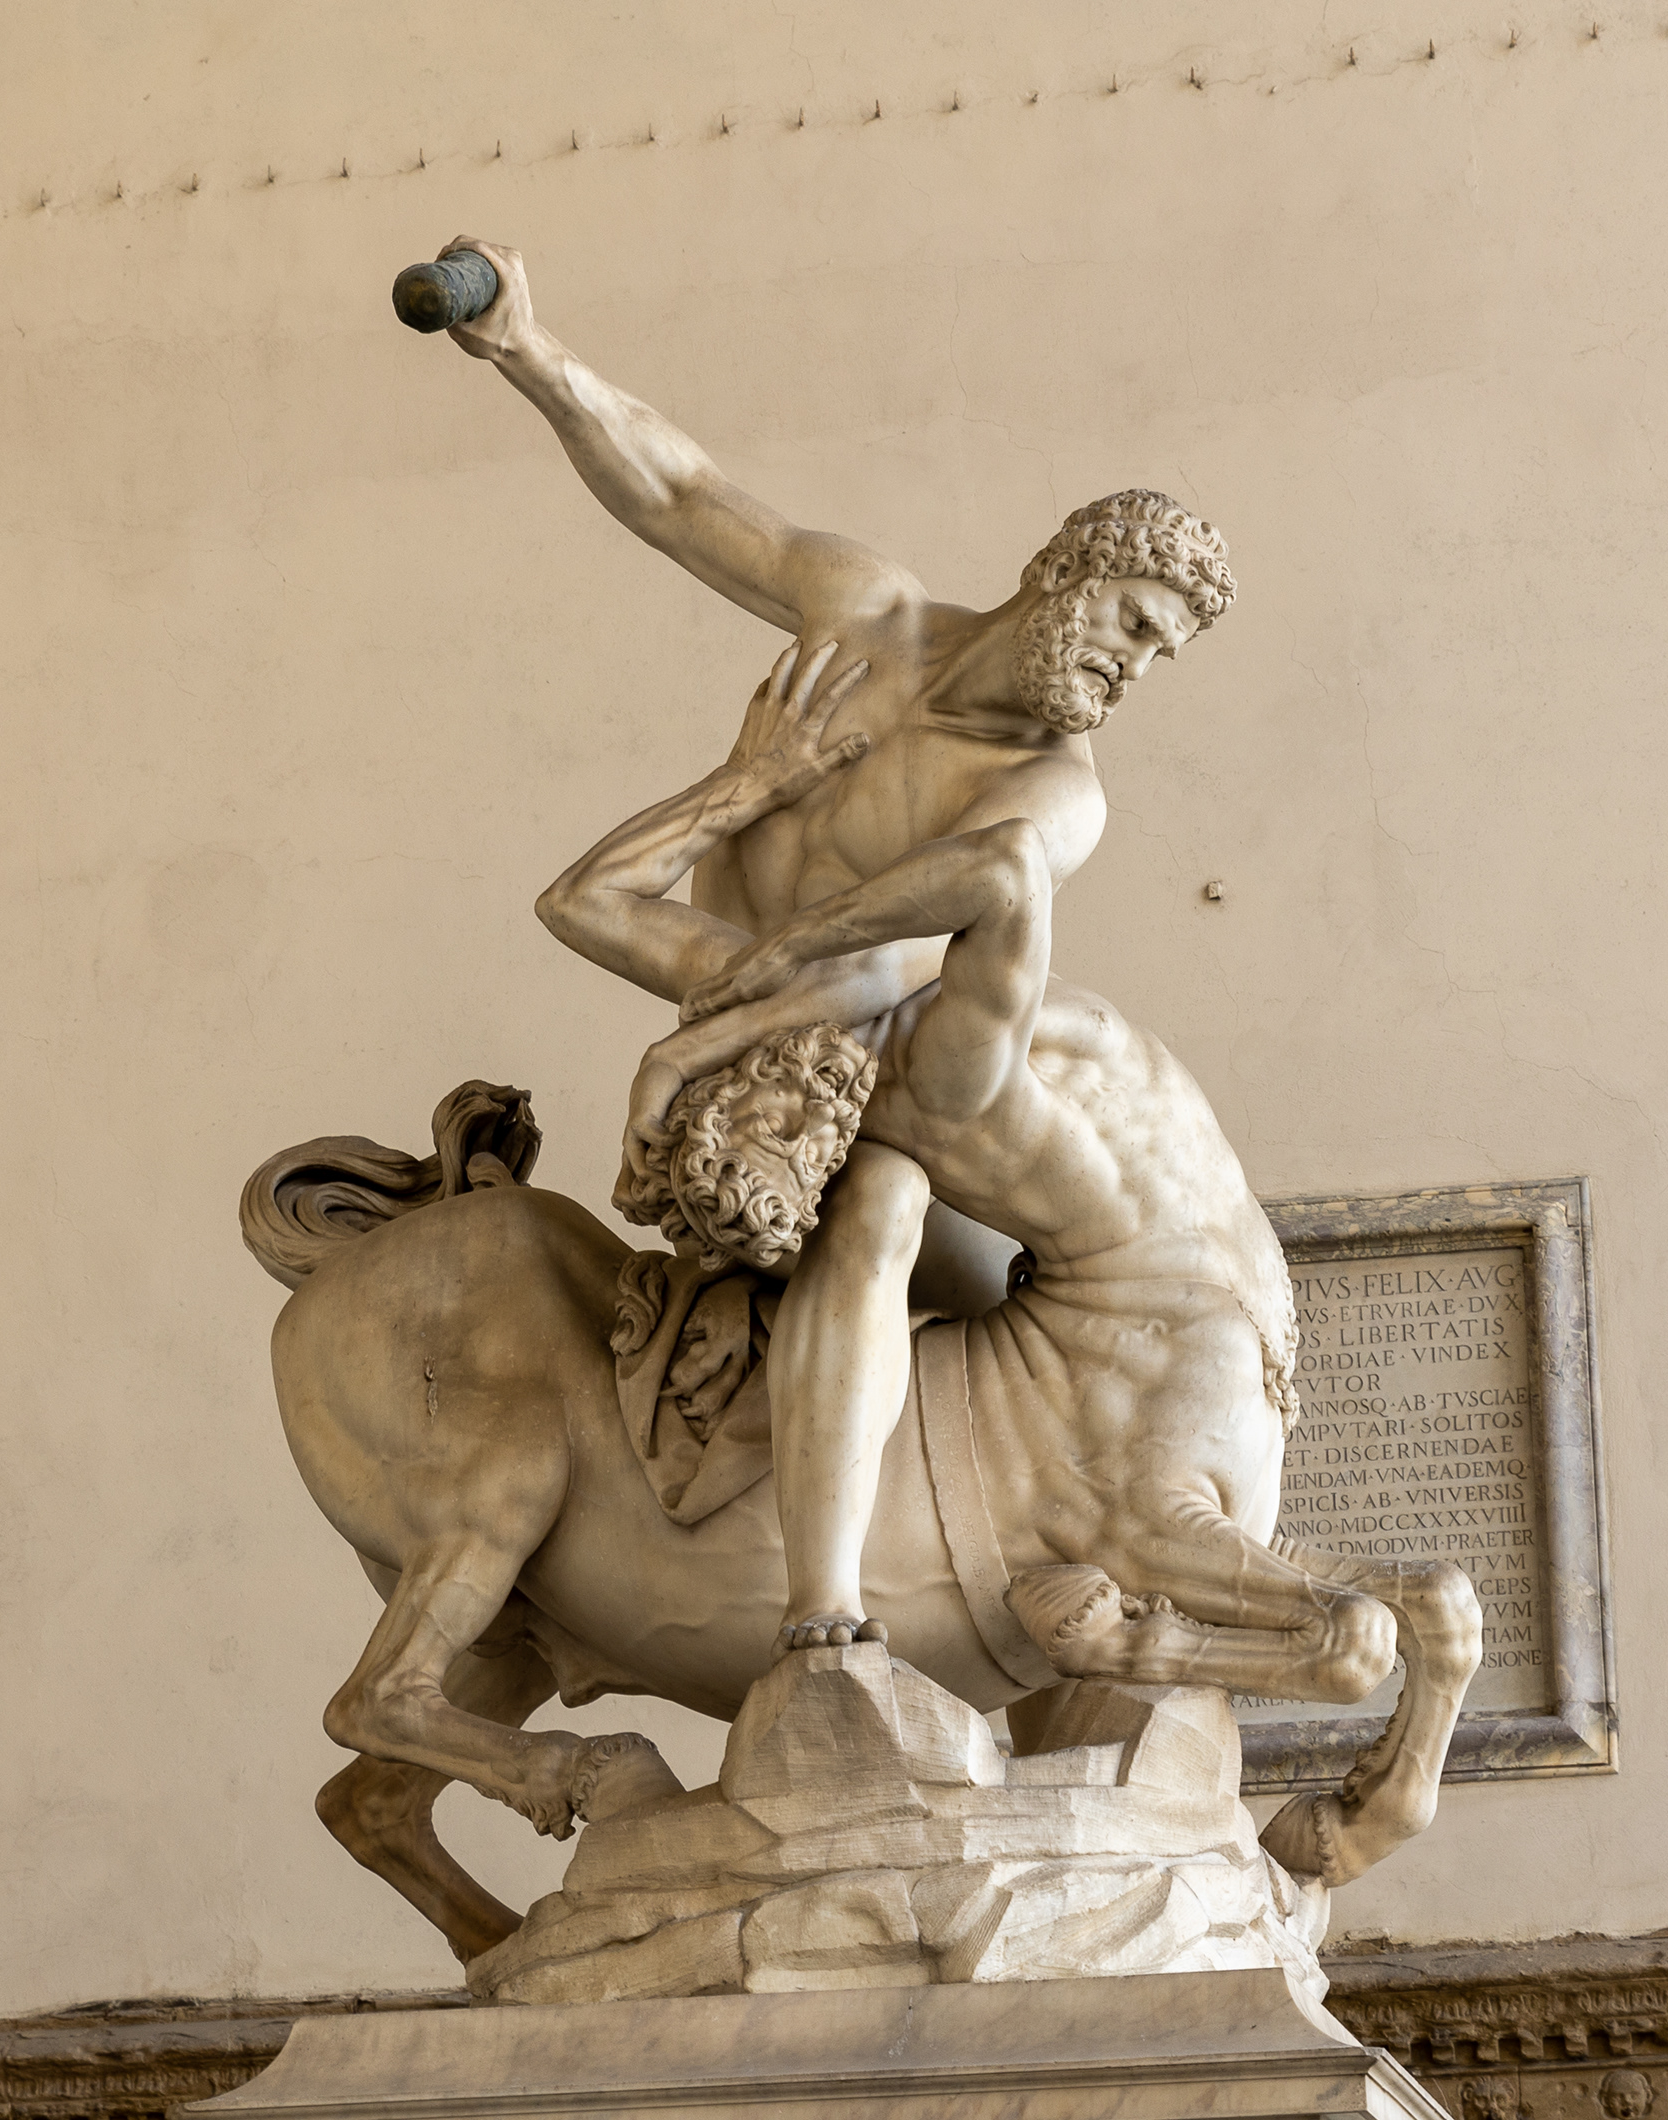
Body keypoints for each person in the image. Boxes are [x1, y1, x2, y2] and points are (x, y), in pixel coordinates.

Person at [540, 651, 1477, 1888]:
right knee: (881, 1204)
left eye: (776, 1132)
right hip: (973, 1196)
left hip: (1017, 1172)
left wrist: (754, 797)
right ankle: (840, 1612)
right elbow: (994, 873)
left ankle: (1077, 1663)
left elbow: (583, 899)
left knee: (897, 1201)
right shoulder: (881, 1071)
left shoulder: (768, 990)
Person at [452, 236, 1235, 1653]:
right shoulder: (868, 615)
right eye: (1133, 624)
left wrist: (752, 985)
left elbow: (979, 887)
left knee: (875, 1210)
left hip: (900, 1086)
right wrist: (530, 354)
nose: (1133, 668)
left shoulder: (1058, 788)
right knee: (832, 1193)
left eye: (1158, 656)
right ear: (1065, 570)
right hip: (767, 1084)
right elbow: (686, 497)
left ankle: (831, 1623)